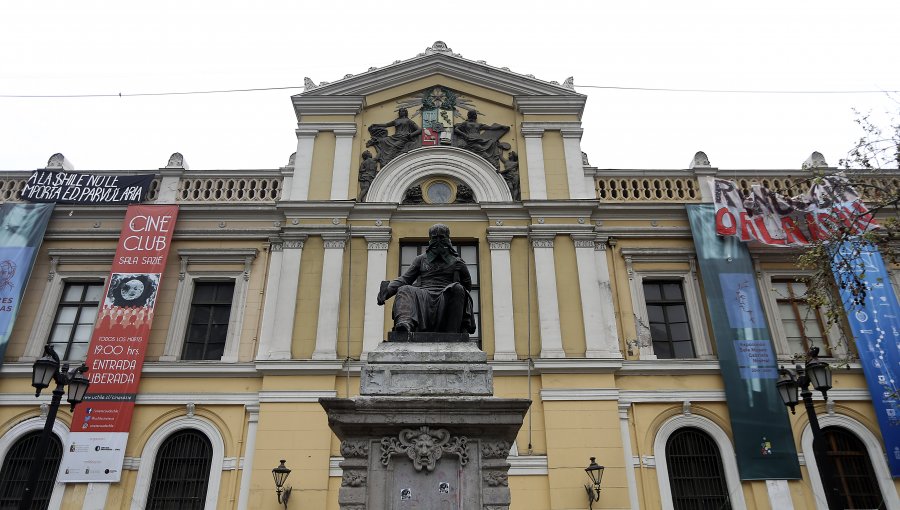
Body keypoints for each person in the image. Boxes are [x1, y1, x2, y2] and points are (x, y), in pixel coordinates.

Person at [377, 224, 476, 335]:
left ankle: (452, 334)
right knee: (404, 289)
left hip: (445, 295)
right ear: (430, 240)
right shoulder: (421, 259)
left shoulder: (457, 261)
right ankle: (404, 324)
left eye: (441, 237)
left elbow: (467, 288)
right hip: (423, 295)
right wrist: (387, 292)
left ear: (448, 239)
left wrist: (464, 271)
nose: (438, 241)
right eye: (435, 238)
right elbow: (405, 279)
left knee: (457, 288)